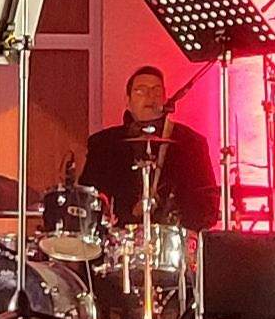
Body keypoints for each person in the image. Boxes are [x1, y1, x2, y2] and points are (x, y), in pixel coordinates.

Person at [83, 65, 223, 230]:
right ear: (128, 101)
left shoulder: (191, 143)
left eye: (156, 91)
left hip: (174, 237)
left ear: (164, 99)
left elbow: (207, 204)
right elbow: (86, 200)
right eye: (141, 91)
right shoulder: (103, 144)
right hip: (119, 237)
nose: (150, 96)